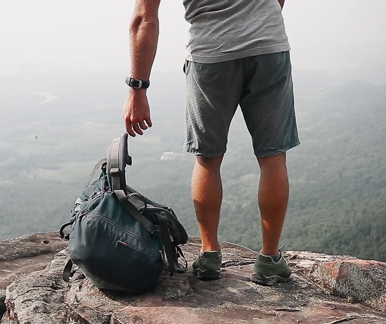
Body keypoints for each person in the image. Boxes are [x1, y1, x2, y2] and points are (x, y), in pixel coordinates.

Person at [122, 0, 299, 286]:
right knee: (273, 158)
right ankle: (269, 259)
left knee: (207, 158)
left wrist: (137, 89)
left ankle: (209, 254)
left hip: (210, 54)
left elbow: (145, 18)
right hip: (268, 48)